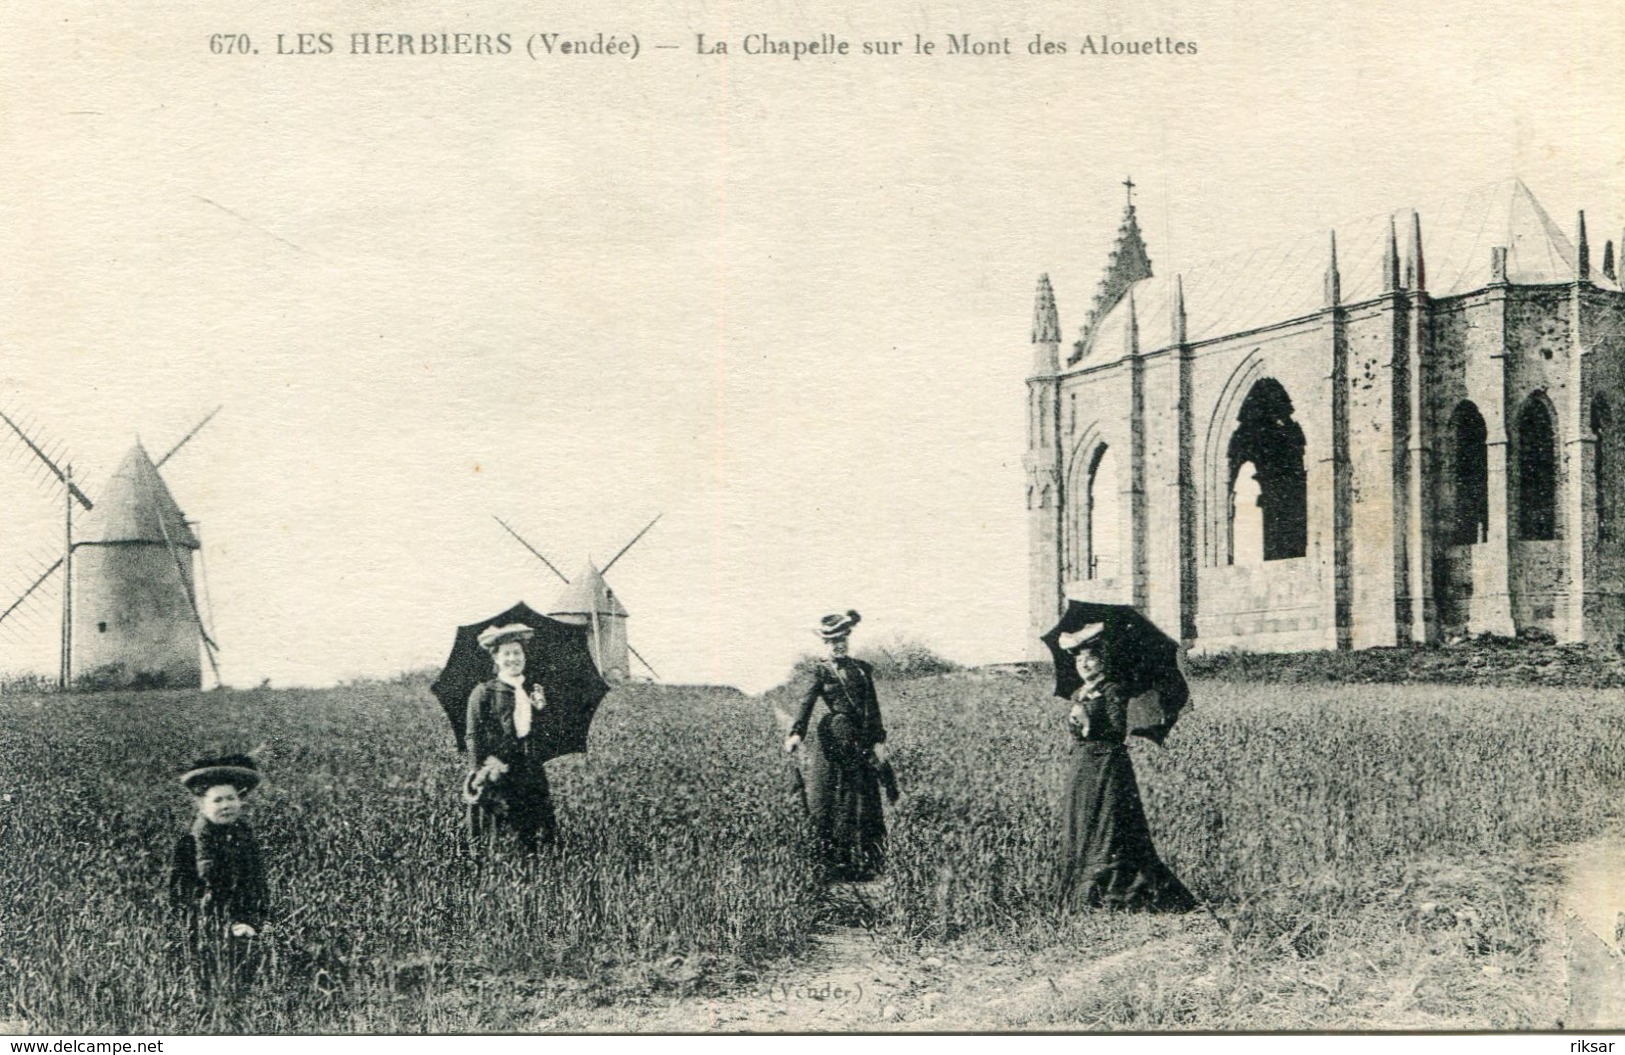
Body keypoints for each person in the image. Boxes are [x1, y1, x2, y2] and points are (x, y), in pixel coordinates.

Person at [1056, 623, 1197, 912]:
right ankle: (1086, 896)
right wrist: (1080, 718)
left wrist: (1088, 719)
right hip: (1083, 766)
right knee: (1084, 823)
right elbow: (1079, 733)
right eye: (1079, 659)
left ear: (1104, 660)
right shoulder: (1080, 693)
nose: (1083, 664)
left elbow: (1118, 729)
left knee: (1110, 824)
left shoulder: (1113, 689)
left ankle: (1120, 894)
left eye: (1091, 658)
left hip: (1107, 765)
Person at [784, 610, 897, 882]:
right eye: (833, 640)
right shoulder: (821, 671)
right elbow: (806, 704)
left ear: (848, 638)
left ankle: (866, 863)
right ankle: (832, 863)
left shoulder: (861, 669)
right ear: (825, 643)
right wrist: (796, 734)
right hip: (834, 743)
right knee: (832, 799)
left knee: (863, 798)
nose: (839, 644)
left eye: (843, 638)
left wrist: (879, 741)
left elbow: (873, 709)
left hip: (861, 741)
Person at [169, 754, 270, 994]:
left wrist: (256, 920)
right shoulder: (189, 845)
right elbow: (184, 898)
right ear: (202, 805)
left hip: (247, 931)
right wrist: (227, 924)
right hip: (207, 938)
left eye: (231, 798)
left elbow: (256, 886)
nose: (226, 805)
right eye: (217, 800)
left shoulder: (245, 839)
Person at [465, 623, 557, 854]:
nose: (513, 658)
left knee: (533, 829)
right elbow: (474, 735)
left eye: (518, 653)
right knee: (499, 832)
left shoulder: (533, 690)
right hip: (497, 769)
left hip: (529, 768)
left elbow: (542, 734)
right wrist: (480, 772)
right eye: (506, 654)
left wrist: (541, 709)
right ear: (496, 659)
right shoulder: (484, 692)